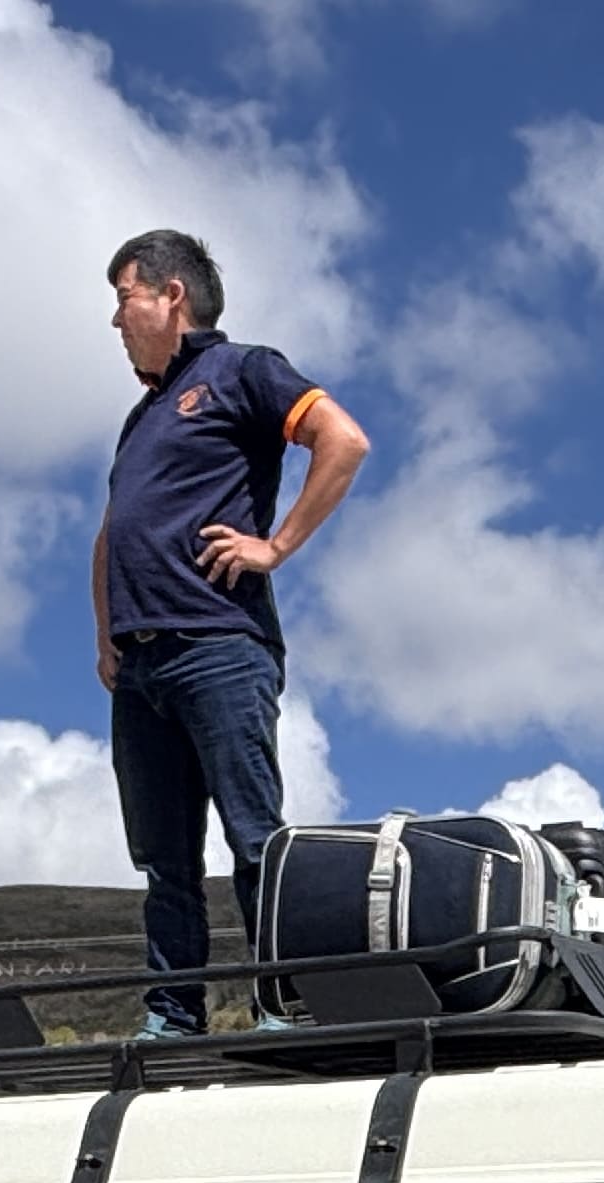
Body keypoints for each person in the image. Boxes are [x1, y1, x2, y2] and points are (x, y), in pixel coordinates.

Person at [95, 226, 371, 1037]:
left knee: (255, 838)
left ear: (169, 294)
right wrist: (107, 635)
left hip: (218, 644)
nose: (116, 322)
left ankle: (281, 1007)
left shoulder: (242, 369)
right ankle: (174, 1015)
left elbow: (343, 440)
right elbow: (115, 529)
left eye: (123, 299)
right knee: (162, 860)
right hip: (139, 666)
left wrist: (274, 545)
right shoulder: (139, 417)